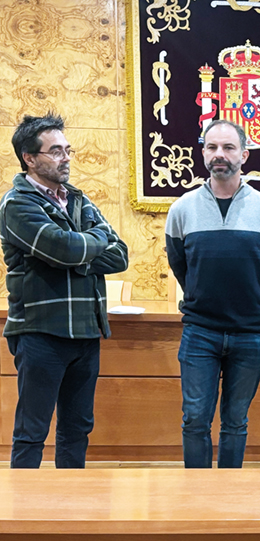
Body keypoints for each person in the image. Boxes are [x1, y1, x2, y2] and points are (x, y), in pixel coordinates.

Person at [1, 113, 129, 468]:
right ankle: (23, 514)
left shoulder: (77, 199)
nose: (66, 157)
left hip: (86, 332)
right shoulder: (17, 204)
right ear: (30, 157)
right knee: (32, 430)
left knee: (77, 428)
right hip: (41, 332)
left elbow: (119, 254)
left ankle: (71, 509)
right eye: (56, 151)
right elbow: (63, 249)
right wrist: (87, 246)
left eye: (67, 150)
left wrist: (76, 251)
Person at [165, 119, 260, 468]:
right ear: (203, 152)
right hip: (199, 332)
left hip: (251, 334)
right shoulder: (182, 210)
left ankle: (228, 493)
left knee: (236, 422)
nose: (219, 154)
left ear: (244, 154)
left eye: (228, 147)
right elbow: (180, 265)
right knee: (194, 420)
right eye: (211, 147)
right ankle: (198, 495)